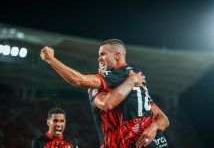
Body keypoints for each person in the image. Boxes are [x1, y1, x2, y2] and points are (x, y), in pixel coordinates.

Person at [40, 39, 169, 147]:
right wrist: (132, 80)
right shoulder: (135, 79)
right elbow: (163, 118)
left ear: (117, 56)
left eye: (103, 54)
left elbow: (80, 80)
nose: (99, 58)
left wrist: (51, 60)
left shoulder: (120, 76)